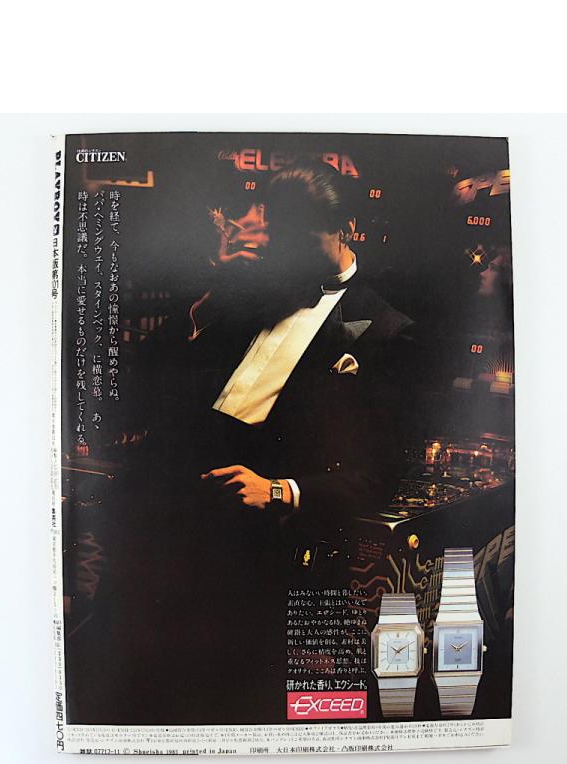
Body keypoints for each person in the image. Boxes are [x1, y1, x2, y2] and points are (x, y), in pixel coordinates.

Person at [69, 161, 421, 725]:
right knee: (119, 686)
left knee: (212, 698)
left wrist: (280, 490)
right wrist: (209, 300)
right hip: (159, 514)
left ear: (344, 226)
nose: (288, 250)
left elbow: (380, 474)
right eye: (280, 234)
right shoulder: (251, 287)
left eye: (302, 236)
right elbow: (154, 382)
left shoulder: (385, 329)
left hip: (246, 539)